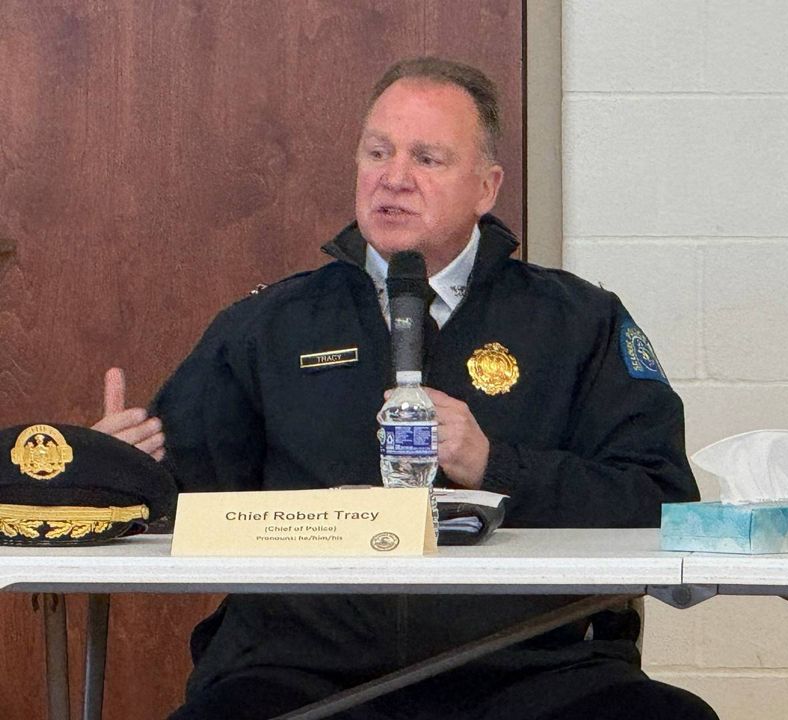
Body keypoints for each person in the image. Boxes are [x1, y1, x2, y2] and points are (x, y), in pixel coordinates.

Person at [93, 56, 717, 720]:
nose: (393, 178)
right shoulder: (269, 325)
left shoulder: (577, 322)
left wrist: (496, 465)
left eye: (427, 158)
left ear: (486, 187)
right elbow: (170, 495)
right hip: (305, 675)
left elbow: (661, 500)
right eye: (377, 152)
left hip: (532, 675)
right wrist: (107, 473)